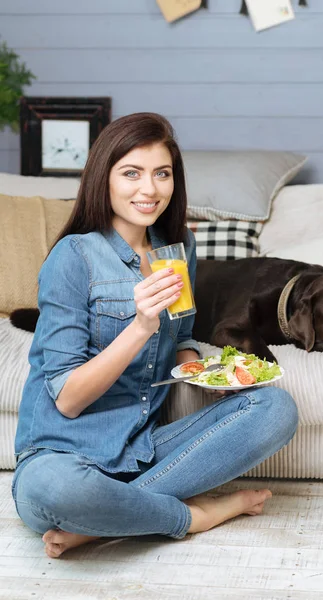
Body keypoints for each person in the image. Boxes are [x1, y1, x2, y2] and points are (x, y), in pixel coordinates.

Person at [11, 113, 298, 559]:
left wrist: (201, 370)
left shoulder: (178, 245)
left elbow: (181, 331)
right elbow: (67, 399)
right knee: (60, 492)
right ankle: (193, 516)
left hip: (142, 449)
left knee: (276, 407)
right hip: (62, 457)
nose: (149, 189)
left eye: (161, 173)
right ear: (103, 177)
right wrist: (141, 325)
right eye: (131, 173)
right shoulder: (75, 256)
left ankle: (101, 524)